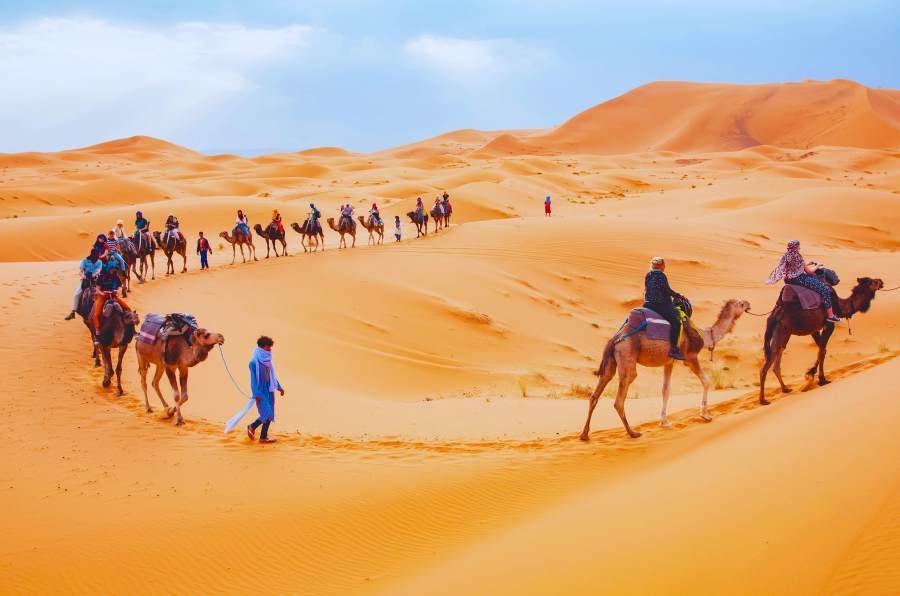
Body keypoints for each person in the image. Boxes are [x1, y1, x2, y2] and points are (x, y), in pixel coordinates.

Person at [767, 240, 840, 323]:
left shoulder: (786, 256)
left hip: (789, 280)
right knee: (825, 290)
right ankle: (831, 316)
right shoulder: (798, 257)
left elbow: (794, 266)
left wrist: (807, 263)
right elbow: (809, 272)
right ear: (796, 247)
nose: (799, 248)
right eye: (798, 247)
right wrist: (817, 266)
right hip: (800, 279)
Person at [644, 257, 686, 360]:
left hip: (648, 304)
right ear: (662, 266)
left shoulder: (648, 275)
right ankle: (674, 350)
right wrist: (678, 295)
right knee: (676, 322)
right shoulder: (661, 275)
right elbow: (666, 290)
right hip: (660, 305)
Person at [246, 336, 285, 444]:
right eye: (268, 347)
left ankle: (263, 437)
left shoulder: (268, 360)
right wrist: (256, 394)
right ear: (263, 347)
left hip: (269, 390)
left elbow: (272, 376)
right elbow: (253, 380)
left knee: (270, 414)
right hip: (260, 392)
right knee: (266, 413)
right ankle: (252, 426)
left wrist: (279, 387)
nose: (270, 350)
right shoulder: (254, 362)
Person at [92, 254, 132, 337]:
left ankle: (130, 329)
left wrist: (116, 291)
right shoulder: (101, 277)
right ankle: (98, 331)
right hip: (103, 297)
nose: (114, 271)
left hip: (113, 296)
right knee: (96, 315)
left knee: (128, 309)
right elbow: (97, 289)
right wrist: (102, 293)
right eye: (113, 269)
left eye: (115, 269)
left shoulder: (115, 277)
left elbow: (119, 287)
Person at [65, 249, 102, 320]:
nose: (97, 256)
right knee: (76, 294)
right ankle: (73, 312)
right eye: (97, 255)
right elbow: (80, 271)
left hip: (96, 280)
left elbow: (98, 271)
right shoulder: (85, 261)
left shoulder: (99, 262)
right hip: (85, 280)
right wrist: (83, 276)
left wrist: (93, 275)